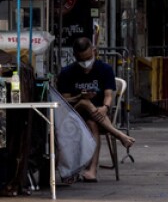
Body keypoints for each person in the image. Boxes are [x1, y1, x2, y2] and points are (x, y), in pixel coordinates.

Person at [56, 37, 135, 182]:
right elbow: (65, 101)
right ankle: (119, 135)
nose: (85, 63)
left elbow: (109, 95)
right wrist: (80, 96)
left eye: (88, 58)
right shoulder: (67, 72)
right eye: (82, 60)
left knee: (92, 123)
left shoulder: (104, 69)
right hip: (74, 114)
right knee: (85, 102)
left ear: (94, 51)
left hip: (98, 116)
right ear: (75, 57)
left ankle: (92, 170)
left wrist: (105, 108)